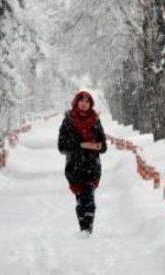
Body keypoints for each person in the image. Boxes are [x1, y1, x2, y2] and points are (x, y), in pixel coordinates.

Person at [58, 90, 107, 235]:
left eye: (87, 102)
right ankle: (83, 227)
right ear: (76, 102)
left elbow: (103, 146)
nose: (84, 104)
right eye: (82, 101)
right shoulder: (68, 120)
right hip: (75, 166)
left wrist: (97, 146)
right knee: (80, 198)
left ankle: (87, 229)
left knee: (89, 197)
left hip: (92, 166)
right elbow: (61, 146)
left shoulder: (96, 120)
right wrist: (80, 145)